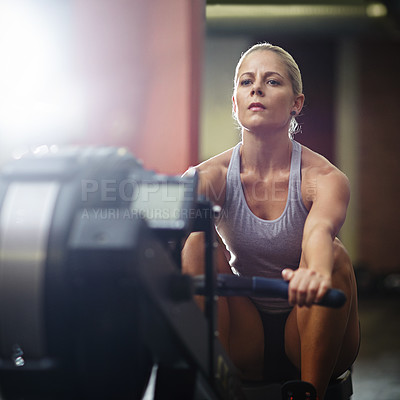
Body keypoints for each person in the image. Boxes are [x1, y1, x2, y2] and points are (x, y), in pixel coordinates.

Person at [181, 42, 360, 400]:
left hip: (309, 322)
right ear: (235, 103)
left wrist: (318, 274)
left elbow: (319, 232)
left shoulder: (324, 177)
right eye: (246, 82)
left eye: (272, 81)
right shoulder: (208, 175)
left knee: (335, 255)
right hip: (243, 331)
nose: (256, 89)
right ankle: (207, 388)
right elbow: (158, 228)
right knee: (197, 243)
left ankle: (310, 393)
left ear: (297, 102)